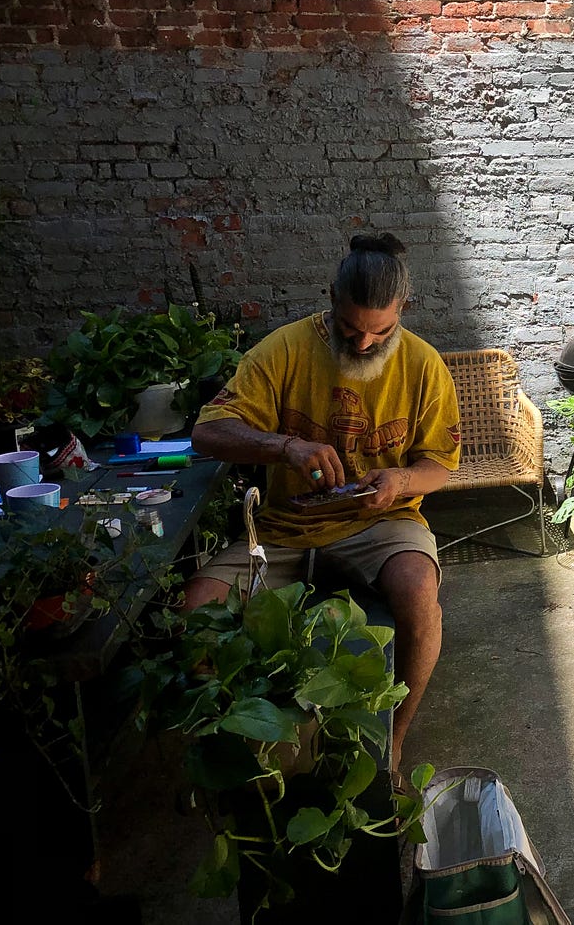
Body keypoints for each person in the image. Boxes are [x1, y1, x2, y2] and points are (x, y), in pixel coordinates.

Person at [184, 232, 460, 775]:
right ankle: (233, 738)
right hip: (286, 526)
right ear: (331, 298)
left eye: (381, 331)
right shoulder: (284, 349)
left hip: (383, 521)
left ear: (403, 310)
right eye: (351, 328)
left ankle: (395, 740)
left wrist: (400, 480)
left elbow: (440, 466)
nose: (364, 343)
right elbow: (207, 432)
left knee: (419, 591)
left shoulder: (424, 365)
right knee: (196, 609)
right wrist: (284, 446)